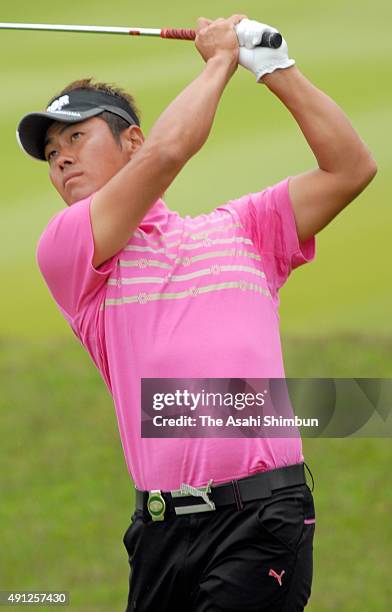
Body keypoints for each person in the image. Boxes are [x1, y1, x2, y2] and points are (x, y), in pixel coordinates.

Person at [17, 14, 376, 612]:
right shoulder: (71, 252)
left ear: (129, 142)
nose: (60, 159)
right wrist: (220, 59)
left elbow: (350, 169)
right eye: (52, 152)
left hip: (262, 520)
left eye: (77, 137)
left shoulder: (245, 230)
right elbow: (169, 151)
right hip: (159, 532)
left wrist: (275, 67)